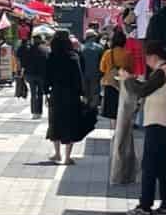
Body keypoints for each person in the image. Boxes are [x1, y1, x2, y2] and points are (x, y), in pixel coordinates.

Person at [119, 43, 166, 215]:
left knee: (149, 166)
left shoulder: (163, 72)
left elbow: (142, 90)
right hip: (165, 124)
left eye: (147, 57)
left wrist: (127, 80)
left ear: (153, 57)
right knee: (162, 168)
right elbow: (148, 87)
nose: (146, 61)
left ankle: (145, 206)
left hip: (159, 125)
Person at [44, 31, 85, 165]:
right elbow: (79, 78)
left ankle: (57, 153)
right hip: (71, 94)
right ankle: (67, 157)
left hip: (56, 93)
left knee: (55, 121)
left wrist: (46, 92)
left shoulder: (51, 56)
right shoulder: (73, 57)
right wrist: (81, 93)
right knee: (71, 123)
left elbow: (46, 77)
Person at [99, 28, 132, 120]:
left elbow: (102, 68)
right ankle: (120, 129)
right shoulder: (128, 54)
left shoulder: (108, 53)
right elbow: (130, 69)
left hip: (110, 83)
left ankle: (114, 131)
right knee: (121, 109)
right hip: (122, 84)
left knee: (111, 112)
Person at [21, 35, 49, 119]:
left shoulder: (28, 49)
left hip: (30, 74)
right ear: (40, 40)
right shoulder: (45, 50)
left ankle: (34, 112)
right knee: (40, 93)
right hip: (41, 75)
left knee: (33, 93)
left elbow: (24, 62)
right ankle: (39, 112)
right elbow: (47, 63)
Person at [80, 29, 105, 108]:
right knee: (95, 92)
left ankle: (86, 106)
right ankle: (93, 109)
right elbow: (102, 62)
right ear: (93, 37)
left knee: (85, 92)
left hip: (84, 74)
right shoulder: (100, 48)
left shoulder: (81, 48)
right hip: (96, 74)